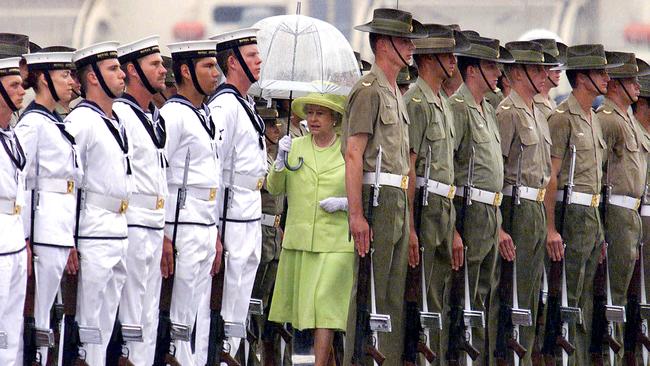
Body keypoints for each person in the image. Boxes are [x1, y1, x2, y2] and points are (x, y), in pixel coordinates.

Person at [341, 8, 426, 366]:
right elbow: (353, 154)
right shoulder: (368, 90)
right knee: (367, 294)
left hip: (397, 202)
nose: (409, 47)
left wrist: (408, 227)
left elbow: (406, 167)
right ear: (384, 44)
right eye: (404, 40)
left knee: (391, 299)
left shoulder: (395, 92)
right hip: (376, 200)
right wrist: (357, 215)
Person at [544, 44, 620, 365]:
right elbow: (552, 175)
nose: (606, 78)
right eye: (600, 72)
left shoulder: (593, 118)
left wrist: (600, 229)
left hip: (591, 214)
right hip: (571, 213)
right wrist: (550, 227)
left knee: (586, 298)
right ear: (583, 77)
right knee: (568, 296)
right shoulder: (563, 118)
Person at [267, 92, 352, 366]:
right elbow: (274, 188)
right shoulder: (296, 146)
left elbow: (362, 192)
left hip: (336, 241)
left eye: (321, 113)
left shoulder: (346, 149)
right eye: (310, 113)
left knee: (326, 309)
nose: (313, 119)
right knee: (305, 313)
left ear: (334, 118)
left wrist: (345, 203)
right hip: (301, 240)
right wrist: (280, 162)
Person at [486, 41, 557, 366]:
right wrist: (499, 227)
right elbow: (497, 173)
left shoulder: (537, 112)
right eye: (538, 69)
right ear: (517, 72)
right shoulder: (508, 112)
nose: (545, 75)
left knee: (530, 293)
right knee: (510, 293)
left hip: (535, 209)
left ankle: (525, 357)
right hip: (514, 207)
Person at [404, 23, 469, 363]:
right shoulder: (415, 101)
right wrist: (411, 228)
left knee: (438, 294)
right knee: (423, 296)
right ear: (429, 60)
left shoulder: (441, 102)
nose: (453, 62)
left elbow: (450, 172)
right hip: (424, 208)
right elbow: (410, 168)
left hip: (443, 209)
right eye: (446, 55)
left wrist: (455, 228)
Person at [448, 34, 514, 362]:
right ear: (472, 70)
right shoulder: (458, 108)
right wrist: (452, 230)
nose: (498, 72)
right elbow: (447, 171)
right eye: (490, 66)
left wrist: (499, 225)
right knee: (464, 297)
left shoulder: (488, 109)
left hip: (490, 212)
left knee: (483, 296)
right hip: (467, 210)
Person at [64, 41, 130, 365]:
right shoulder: (81, 121)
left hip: (117, 231)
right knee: (86, 328)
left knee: (104, 330)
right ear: (92, 78)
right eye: (113, 69)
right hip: (91, 233)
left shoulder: (116, 119)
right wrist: (70, 240)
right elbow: (70, 183)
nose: (122, 75)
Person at [203, 28, 266, 361]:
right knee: (226, 306)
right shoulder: (224, 106)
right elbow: (215, 170)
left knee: (240, 306)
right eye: (252, 56)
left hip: (249, 214)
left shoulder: (246, 104)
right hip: (231, 217)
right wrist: (214, 230)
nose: (259, 61)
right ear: (234, 61)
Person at [160, 39, 222, 366]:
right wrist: (166, 233)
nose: (216, 73)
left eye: (215, 65)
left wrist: (214, 231)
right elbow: (162, 174)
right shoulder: (173, 114)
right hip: (182, 223)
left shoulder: (205, 114)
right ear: (185, 71)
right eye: (207, 67)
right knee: (180, 313)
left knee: (199, 310)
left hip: (204, 221)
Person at [14, 49, 78, 364]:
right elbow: (21, 185)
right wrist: (24, 238)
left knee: (50, 318)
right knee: (36, 319)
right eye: (63, 75)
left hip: (58, 230)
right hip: (42, 233)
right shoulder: (32, 125)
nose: (71, 82)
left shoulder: (53, 121)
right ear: (42, 79)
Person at [113, 35, 168, 365]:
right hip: (132, 222)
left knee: (148, 314)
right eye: (155, 64)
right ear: (132, 70)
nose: (163, 71)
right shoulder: (121, 113)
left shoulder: (153, 115)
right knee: (131, 316)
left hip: (154, 224)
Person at [595, 52, 650, 363]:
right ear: (615, 85)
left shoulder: (626, 120)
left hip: (631, 214)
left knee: (627, 292)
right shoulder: (607, 120)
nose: (636, 86)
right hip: (614, 212)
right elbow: (598, 176)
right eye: (630, 80)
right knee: (612, 291)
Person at [0, 56, 27, 366]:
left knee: (11, 334)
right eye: (14, 85)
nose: (22, 91)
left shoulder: (12, 133)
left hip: (15, 241)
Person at [532, 39, 567, 119]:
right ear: (541, 68)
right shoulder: (533, 103)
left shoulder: (552, 102)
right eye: (553, 66)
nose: (559, 71)